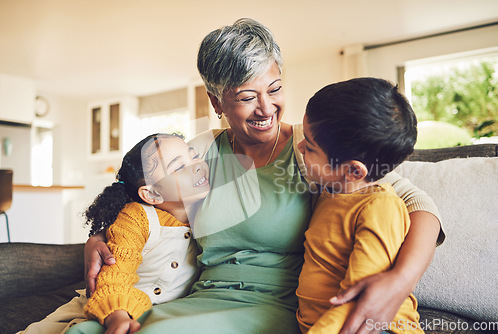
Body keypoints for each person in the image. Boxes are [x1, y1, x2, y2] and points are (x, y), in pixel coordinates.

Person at [81, 18, 444, 334]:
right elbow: (146, 199)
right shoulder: (198, 152)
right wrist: (99, 239)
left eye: (274, 90)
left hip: (275, 307)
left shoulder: (313, 149)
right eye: (246, 97)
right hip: (202, 297)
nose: (266, 108)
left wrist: (399, 282)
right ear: (216, 101)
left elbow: (415, 203)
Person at [23, 133, 209, 334]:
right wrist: (118, 314)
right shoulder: (136, 218)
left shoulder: (206, 212)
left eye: (195, 155)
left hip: (158, 318)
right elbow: (115, 275)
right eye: (179, 167)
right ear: (153, 194)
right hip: (104, 311)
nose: (197, 165)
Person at [296, 78, 424, 333]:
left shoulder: (380, 208)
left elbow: (359, 299)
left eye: (309, 148)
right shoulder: (330, 192)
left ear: (354, 170)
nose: (299, 147)